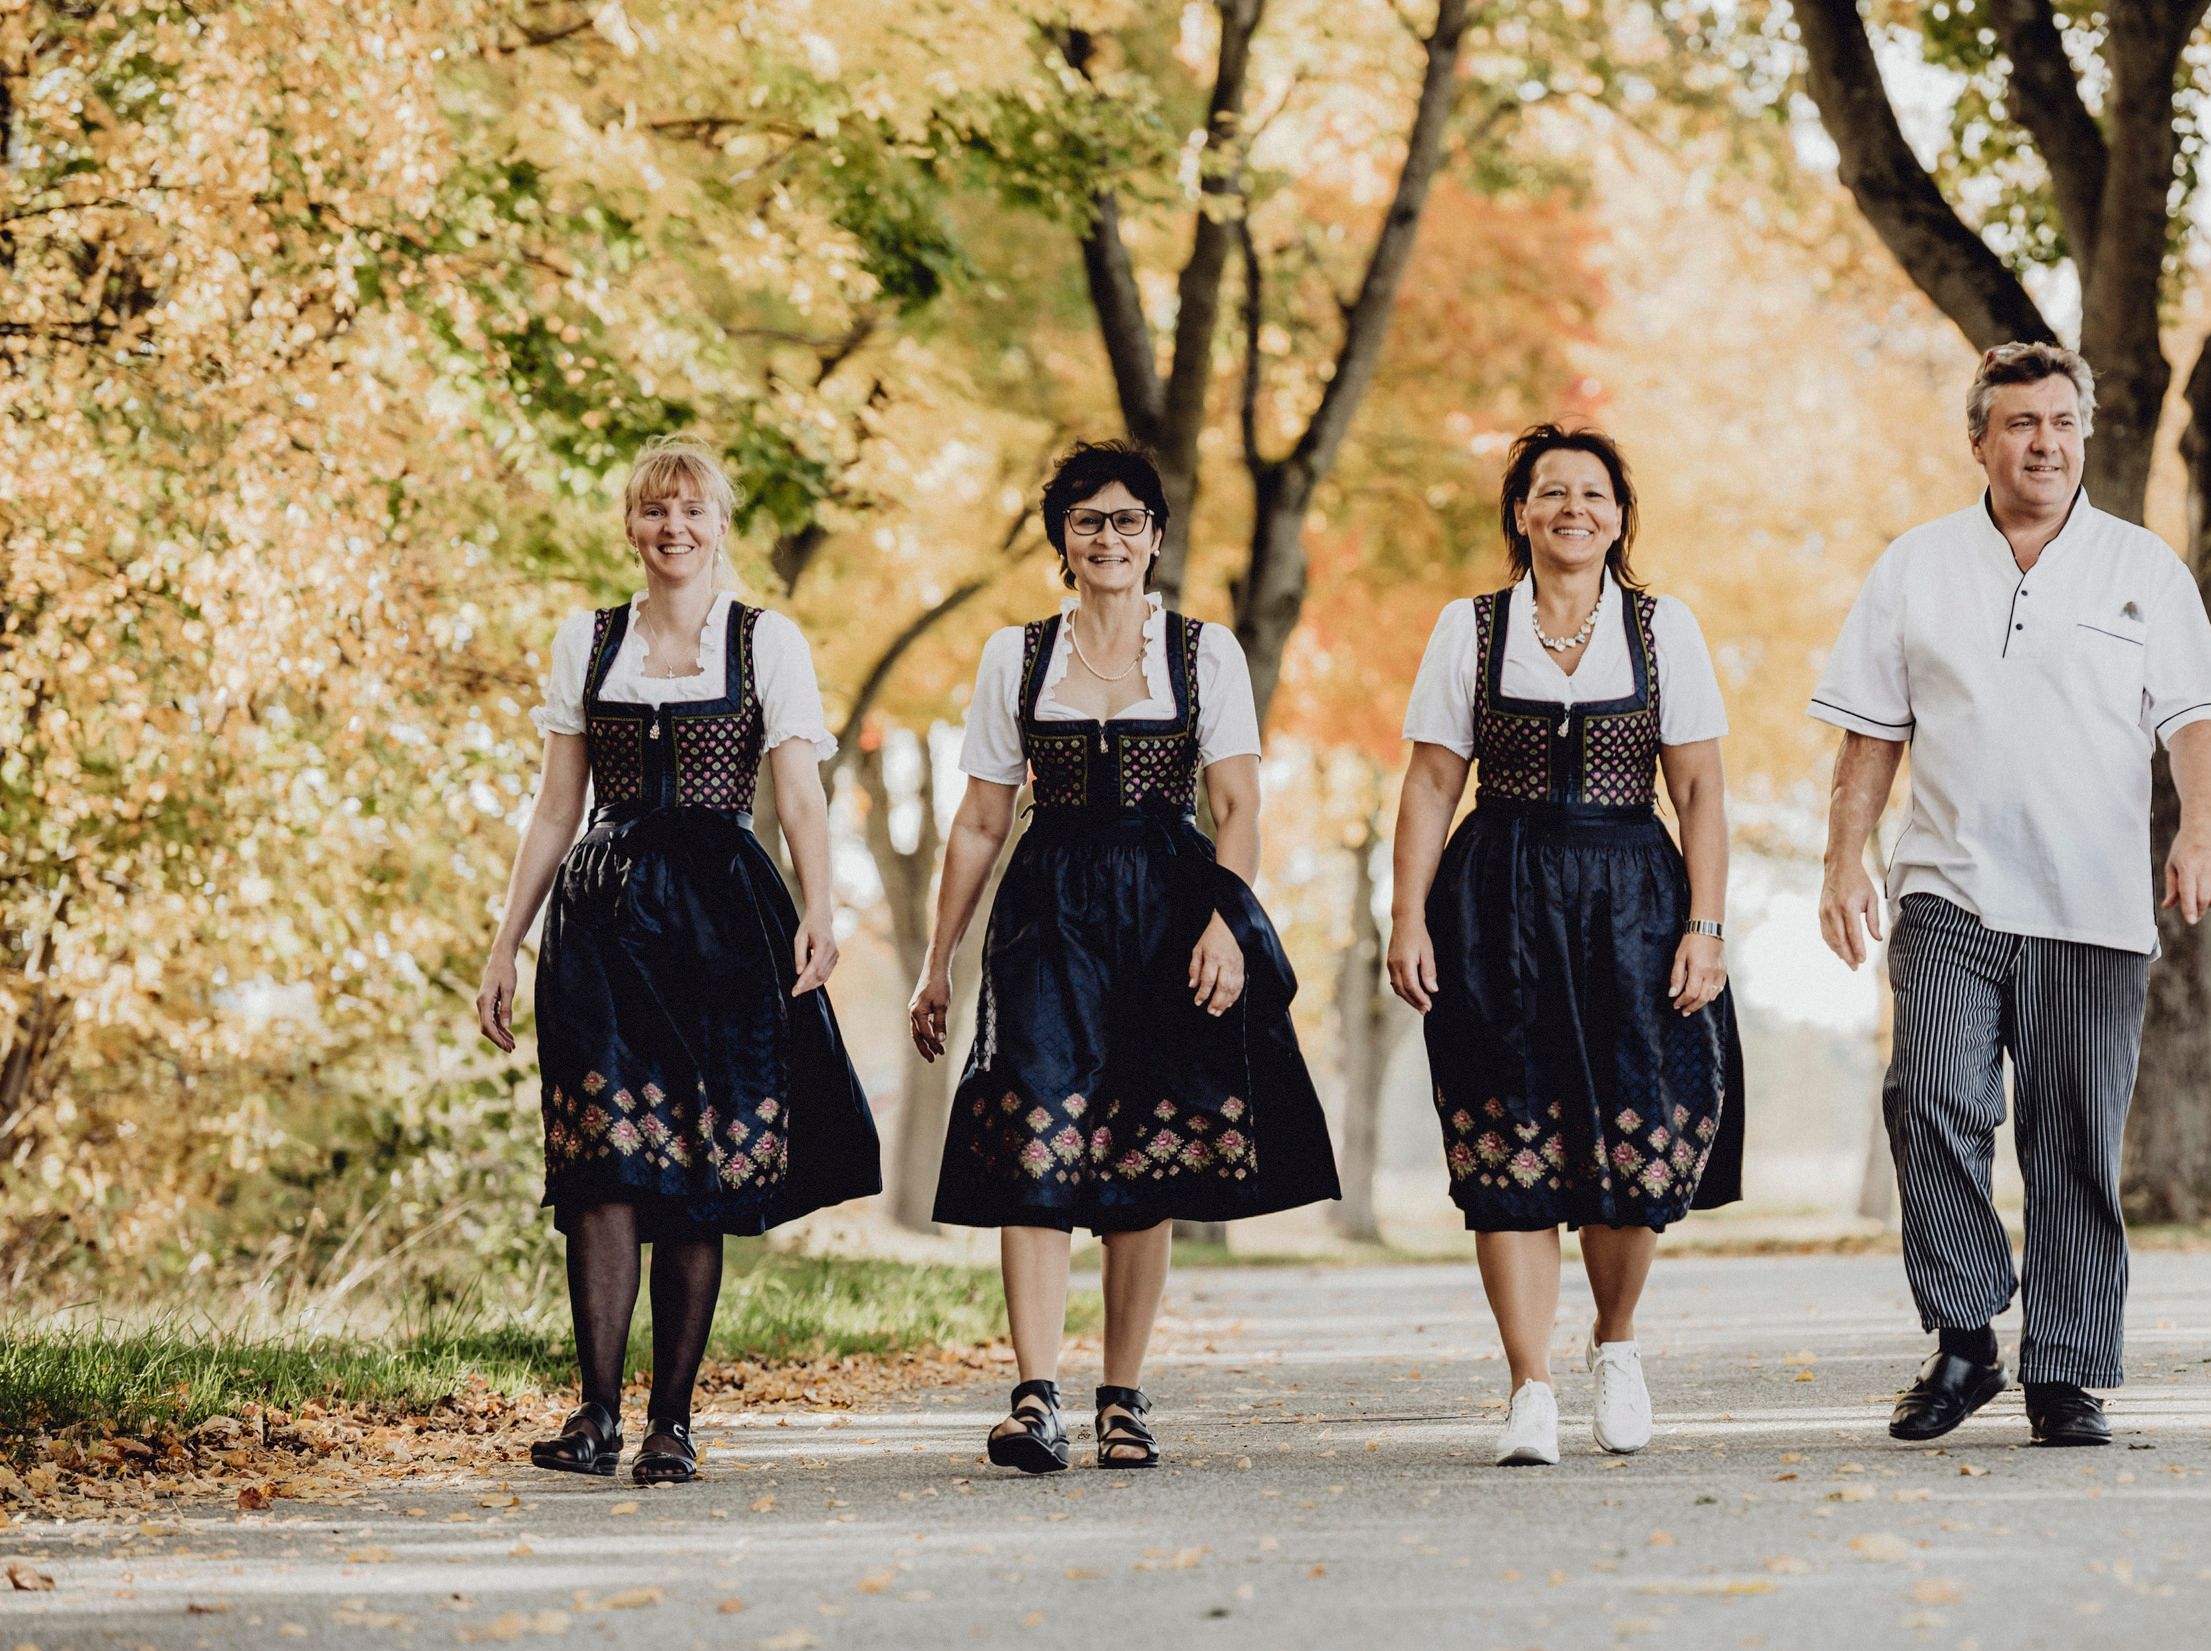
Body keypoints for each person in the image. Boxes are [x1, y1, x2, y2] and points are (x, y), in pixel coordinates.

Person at [1812, 343, 2211, 1449]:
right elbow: (1872, 729)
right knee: (1930, 1099)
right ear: (1979, 440)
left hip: (2093, 906)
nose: (2042, 441)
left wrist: (2202, 829)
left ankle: (2067, 1370)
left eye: (2060, 421)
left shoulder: (2143, 567)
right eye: (2018, 423)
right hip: (1950, 890)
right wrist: (1841, 858)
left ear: (2084, 435)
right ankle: (1965, 1336)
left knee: (2075, 1140)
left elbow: (2198, 716)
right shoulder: (1915, 566)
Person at [913, 439, 1337, 1474]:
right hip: (1047, 907)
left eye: (1128, 520)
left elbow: (1236, 806)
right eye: (1089, 520)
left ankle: (1123, 1398)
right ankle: (1033, 1397)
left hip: (1167, 906)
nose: (1110, 538)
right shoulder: (1015, 657)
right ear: (1064, 537)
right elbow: (977, 823)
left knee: (1144, 1153)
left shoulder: (1206, 653)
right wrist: (939, 960)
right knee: (1035, 1140)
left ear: (1155, 536)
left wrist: (1228, 925)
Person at [476, 433, 883, 1486]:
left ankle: (672, 1423)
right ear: (631, 525)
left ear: (719, 525)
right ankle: (596, 1414)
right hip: (604, 914)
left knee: (698, 1165)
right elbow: (557, 804)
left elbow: (799, 794)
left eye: (693, 510)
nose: (674, 528)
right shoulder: (589, 639)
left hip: (721, 914)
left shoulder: (764, 643)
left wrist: (822, 911)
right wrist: (504, 942)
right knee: (604, 1158)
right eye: (656, 511)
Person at [1387, 424, 1741, 1467]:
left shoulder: (1663, 627)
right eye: (1551, 493)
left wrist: (1706, 924)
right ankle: (1528, 1386)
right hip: (1496, 899)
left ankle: (1617, 1344)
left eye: (1593, 494)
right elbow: (1428, 783)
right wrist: (1406, 914)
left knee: (1633, 1132)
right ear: (1522, 514)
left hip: (1633, 895)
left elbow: (1703, 788)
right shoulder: (1471, 627)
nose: (1572, 509)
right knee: (1508, 1134)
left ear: (1620, 517)